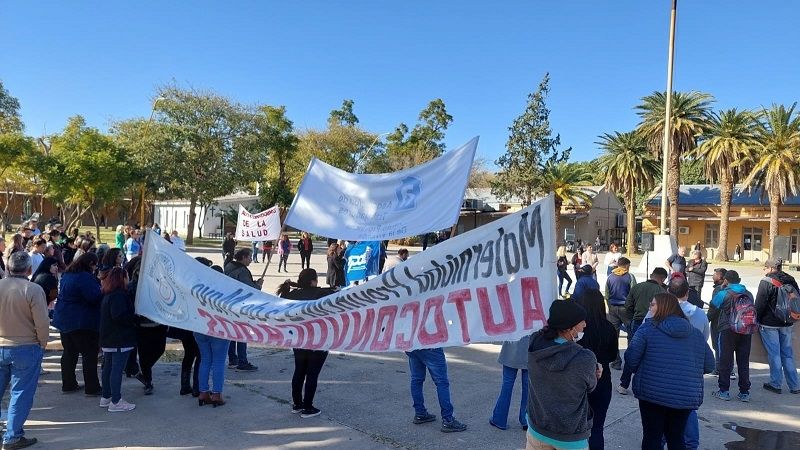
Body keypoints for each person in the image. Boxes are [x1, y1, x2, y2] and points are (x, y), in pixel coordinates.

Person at [624, 293, 715, 449]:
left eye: (652, 305)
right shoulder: (695, 334)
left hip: (651, 393)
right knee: (676, 437)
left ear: (663, 307)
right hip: (685, 395)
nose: (649, 308)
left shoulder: (647, 329)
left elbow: (631, 359)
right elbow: (709, 365)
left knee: (652, 436)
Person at [527, 300, 598, 449]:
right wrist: (597, 373)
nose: (585, 324)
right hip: (570, 437)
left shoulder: (534, 342)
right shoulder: (584, 358)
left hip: (537, 429)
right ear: (569, 328)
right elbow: (590, 387)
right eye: (581, 321)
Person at [0, 252, 49, 450]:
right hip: (26, 346)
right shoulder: (33, 289)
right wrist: (42, 343)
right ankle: (12, 436)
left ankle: (12, 435)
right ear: (29, 270)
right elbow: (42, 322)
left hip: (2, 344)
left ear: (9, 267)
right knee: (20, 393)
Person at [277, 269, 336, 418]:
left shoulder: (291, 295)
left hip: (298, 339)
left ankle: (297, 404)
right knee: (312, 374)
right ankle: (308, 407)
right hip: (318, 340)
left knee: (299, 371)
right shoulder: (321, 294)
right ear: (312, 281)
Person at [666, 278, 711, 450]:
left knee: (662, 408)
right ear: (687, 293)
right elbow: (705, 340)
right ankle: (691, 444)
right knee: (688, 408)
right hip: (691, 368)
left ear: (668, 292)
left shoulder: (660, 311)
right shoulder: (700, 314)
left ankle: (663, 440)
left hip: (666, 367)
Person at [52, 252, 103, 395]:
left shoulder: (68, 275)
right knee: (89, 354)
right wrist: (103, 291)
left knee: (69, 352)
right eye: (95, 264)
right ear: (90, 264)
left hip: (64, 319)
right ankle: (92, 387)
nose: (96, 267)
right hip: (81, 321)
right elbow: (94, 297)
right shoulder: (85, 277)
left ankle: (68, 384)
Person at [576, 289, 619, 450]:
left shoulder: (577, 329)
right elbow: (613, 355)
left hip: (578, 381)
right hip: (602, 382)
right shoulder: (608, 327)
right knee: (597, 428)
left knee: (576, 429)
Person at [755, 258, 800, 394]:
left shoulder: (766, 282)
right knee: (787, 354)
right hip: (787, 322)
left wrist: (756, 320)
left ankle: (776, 384)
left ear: (770, 268)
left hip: (769, 324)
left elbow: (760, 304)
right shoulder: (791, 279)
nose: (764, 270)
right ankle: (795, 385)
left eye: (765, 267)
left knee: (774, 354)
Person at [619, 267, 668, 392]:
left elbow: (627, 306)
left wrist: (630, 320)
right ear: (662, 279)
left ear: (651, 275)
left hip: (637, 322)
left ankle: (624, 385)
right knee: (650, 355)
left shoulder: (637, 287)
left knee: (632, 353)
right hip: (655, 324)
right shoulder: (662, 292)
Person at [404, 342, 467, 433]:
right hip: (430, 345)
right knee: (441, 383)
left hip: (411, 345)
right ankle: (448, 420)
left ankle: (420, 413)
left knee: (416, 380)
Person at [710, 270, 754, 402]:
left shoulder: (724, 293)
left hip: (728, 329)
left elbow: (713, 306)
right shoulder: (748, 293)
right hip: (746, 329)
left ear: (726, 280)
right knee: (743, 361)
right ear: (739, 280)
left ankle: (724, 391)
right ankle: (744, 392)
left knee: (726, 360)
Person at [98, 267, 137, 412]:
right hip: (119, 338)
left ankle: (106, 396)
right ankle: (116, 401)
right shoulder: (119, 295)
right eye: (126, 277)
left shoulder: (108, 294)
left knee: (108, 367)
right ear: (122, 279)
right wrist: (134, 318)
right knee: (116, 369)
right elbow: (119, 316)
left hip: (108, 338)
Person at [127, 256, 167, 395]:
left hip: (158, 323)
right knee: (143, 354)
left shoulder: (158, 283)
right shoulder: (132, 286)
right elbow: (129, 303)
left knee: (160, 349)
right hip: (141, 325)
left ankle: (145, 369)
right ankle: (148, 381)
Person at [194, 264, 229, 407]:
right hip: (219, 329)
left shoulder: (199, 289)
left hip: (199, 328)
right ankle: (216, 394)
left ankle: (203, 392)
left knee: (205, 360)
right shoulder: (224, 291)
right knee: (218, 362)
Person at [225, 248, 262, 372]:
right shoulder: (242, 271)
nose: (251, 260)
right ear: (244, 257)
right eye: (250, 257)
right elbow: (250, 289)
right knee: (242, 333)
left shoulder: (229, 266)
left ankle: (232, 359)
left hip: (229, 304)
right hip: (240, 306)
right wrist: (258, 285)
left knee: (231, 333)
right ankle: (242, 361)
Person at [490, 334, 530, 431]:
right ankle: (526, 419)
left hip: (512, 345)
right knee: (528, 386)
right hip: (530, 347)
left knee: (507, 384)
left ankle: (500, 419)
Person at [604, 257, 636, 370]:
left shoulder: (610, 277)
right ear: (626, 265)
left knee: (614, 336)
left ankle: (616, 362)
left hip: (613, 308)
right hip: (626, 309)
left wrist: (609, 307)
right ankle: (630, 363)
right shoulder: (630, 276)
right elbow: (634, 293)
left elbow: (607, 295)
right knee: (631, 335)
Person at [707, 268, 728, 374]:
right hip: (729, 321)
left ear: (720, 277)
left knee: (717, 344)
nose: (713, 276)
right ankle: (727, 368)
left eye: (715, 274)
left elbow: (714, 306)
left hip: (718, 321)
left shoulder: (718, 290)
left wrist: (707, 319)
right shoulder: (732, 289)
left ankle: (719, 368)